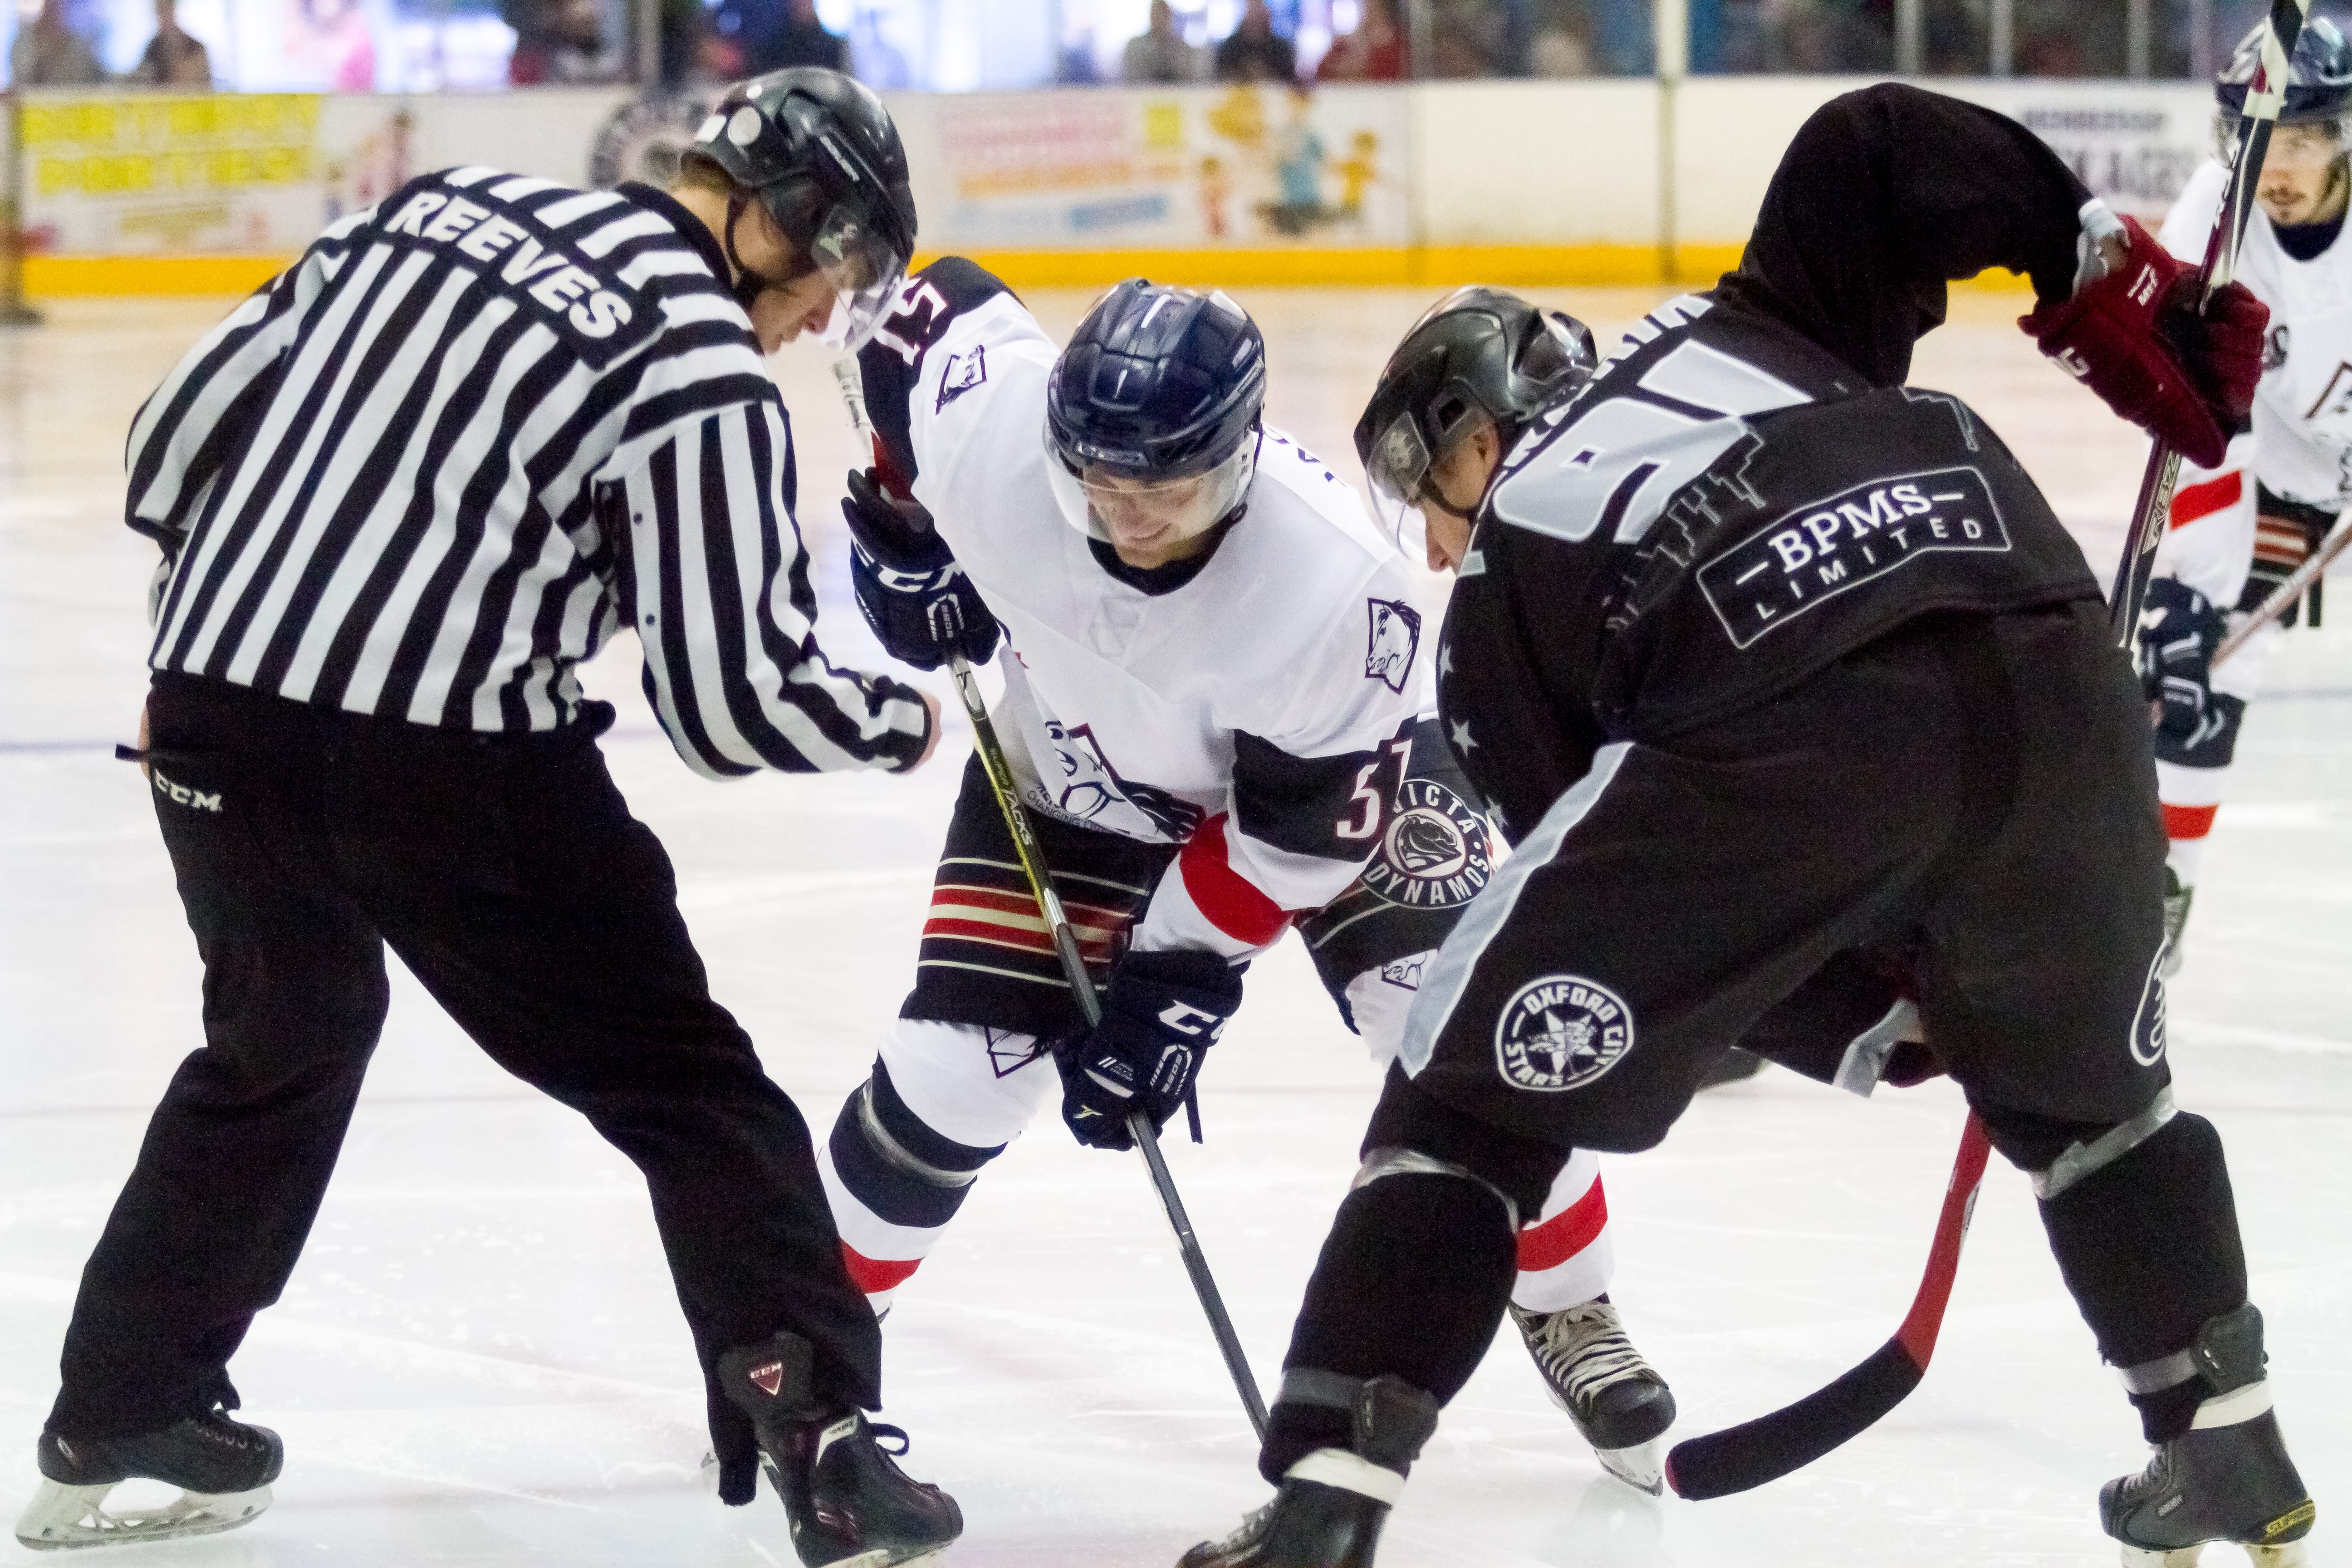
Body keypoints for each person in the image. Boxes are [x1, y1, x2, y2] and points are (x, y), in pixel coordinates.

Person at [1179, 83, 2317, 1568]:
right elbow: (1873, 143)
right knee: (2091, 1097)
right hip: (2054, 660)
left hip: (1800, 709)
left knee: (1470, 1091)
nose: (1439, 539)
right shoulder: (1762, 329)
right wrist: (2094, 260)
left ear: (1474, 441)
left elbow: (1657, 895)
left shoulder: (1509, 569)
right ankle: (2228, 1439)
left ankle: (1329, 1499)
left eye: (1431, 487)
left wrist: (1857, 1012)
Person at [13, 69, 964, 1568]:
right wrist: (900, 721)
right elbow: (732, 703)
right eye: (822, 286)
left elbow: (171, 441)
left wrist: (231, 631)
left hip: (210, 711)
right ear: (787, 223)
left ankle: (124, 1404)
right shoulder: (699, 364)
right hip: (446, 764)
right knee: (685, 1084)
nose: (806, 327)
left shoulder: (431, 209)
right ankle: (827, 1437)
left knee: (281, 1041)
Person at [821, 265, 1678, 1491]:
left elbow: (1288, 844)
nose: (1128, 514)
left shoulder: (1335, 590)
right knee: (954, 1075)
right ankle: (809, 1344)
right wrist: (906, 518)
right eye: (1099, 480)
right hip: (1076, 776)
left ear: (1237, 456)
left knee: (1460, 1029)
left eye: (1164, 486)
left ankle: (1570, 1301)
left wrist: (1173, 981)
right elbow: (916, 311)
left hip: (1329, 786)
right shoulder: (994, 431)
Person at [2143, 19, 2352, 975]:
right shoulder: (2214, 216)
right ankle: (2159, 889)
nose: (2277, 167)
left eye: (2303, 140)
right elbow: (2187, 404)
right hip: (2276, 465)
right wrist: (2188, 580)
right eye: (2261, 138)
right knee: (2194, 669)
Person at [9, 0, 107, 85]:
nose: (53, 11)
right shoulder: (23, 45)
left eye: (57, 6)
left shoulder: (78, 48)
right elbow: (23, 85)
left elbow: (94, 84)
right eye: (49, 6)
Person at [1316, 0, 1407, 81]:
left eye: (1376, 6)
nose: (1370, 8)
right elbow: (1322, 69)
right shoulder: (1346, 42)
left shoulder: (1399, 45)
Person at [129, 0, 211, 86]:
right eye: (159, 11)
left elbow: (199, 85)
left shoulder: (195, 48)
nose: (163, 16)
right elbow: (140, 79)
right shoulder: (153, 47)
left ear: (173, 10)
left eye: (166, 10)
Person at [1123, 0, 1207, 83]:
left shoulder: (1181, 47)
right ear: (1151, 15)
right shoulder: (1136, 46)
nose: (1160, 18)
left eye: (1163, 14)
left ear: (1169, 16)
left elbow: (1188, 79)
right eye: (1156, 13)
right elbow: (1131, 78)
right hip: (1143, 91)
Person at [1215, 0, 1297, 82]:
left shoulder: (1281, 49)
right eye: (1253, 10)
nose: (1256, 16)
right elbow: (1222, 80)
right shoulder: (1230, 47)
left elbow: (1289, 82)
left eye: (1259, 8)